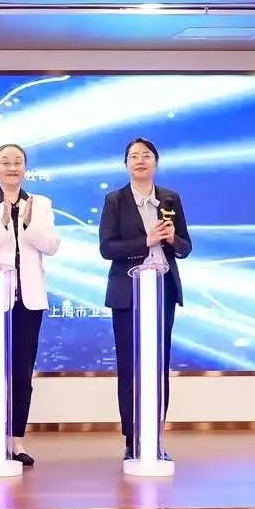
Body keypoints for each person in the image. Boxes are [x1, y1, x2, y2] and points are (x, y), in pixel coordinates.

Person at [0, 143, 60, 466]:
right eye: (5, 162)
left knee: (21, 373)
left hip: (28, 300)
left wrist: (29, 223)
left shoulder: (41, 204)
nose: (11, 167)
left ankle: (16, 440)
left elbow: (51, 245)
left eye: (17, 162)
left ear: (25, 168)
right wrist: (3, 222)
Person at [99, 137, 192, 460]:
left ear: (156, 162)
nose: (140, 160)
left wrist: (172, 239)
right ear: (126, 164)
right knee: (130, 366)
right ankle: (132, 439)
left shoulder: (170, 198)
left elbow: (186, 247)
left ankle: (155, 438)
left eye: (146, 155)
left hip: (163, 290)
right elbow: (107, 248)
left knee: (157, 365)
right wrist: (146, 240)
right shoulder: (115, 200)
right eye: (134, 156)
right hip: (128, 294)